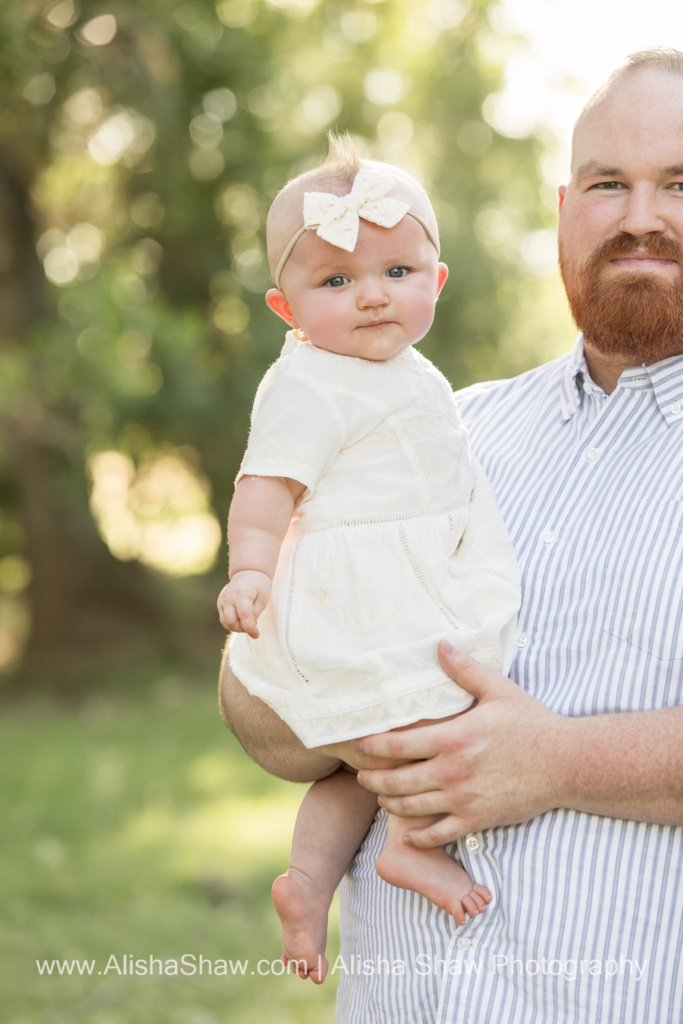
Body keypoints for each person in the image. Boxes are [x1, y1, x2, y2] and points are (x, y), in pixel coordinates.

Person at [220, 48, 683, 1022]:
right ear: (562, 207)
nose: (640, 214)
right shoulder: (424, 429)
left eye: (678, 183)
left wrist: (558, 762)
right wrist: (349, 707)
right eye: (608, 183)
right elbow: (251, 702)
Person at [217, 140, 521, 983]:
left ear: (436, 280)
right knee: (416, 732)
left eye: (395, 272)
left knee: (366, 755)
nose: (372, 297)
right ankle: (412, 846)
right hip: (356, 594)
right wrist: (250, 571)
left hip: (404, 583)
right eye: (337, 281)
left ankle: (309, 883)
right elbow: (265, 486)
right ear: (287, 308)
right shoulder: (311, 380)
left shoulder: (412, 372)